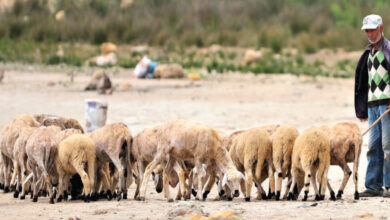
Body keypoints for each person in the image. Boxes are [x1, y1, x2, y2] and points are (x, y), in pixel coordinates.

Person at [355, 14, 390, 197]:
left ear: (381, 28)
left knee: (388, 146)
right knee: (373, 146)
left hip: (387, 105)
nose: (369, 34)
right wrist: (362, 109)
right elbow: (363, 82)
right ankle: (373, 186)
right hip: (372, 105)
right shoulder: (368, 52)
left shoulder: (388, 49)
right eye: (367, 30)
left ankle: (389, 186)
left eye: (372, 29)